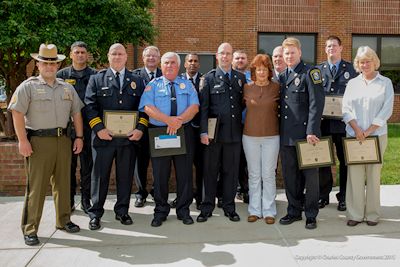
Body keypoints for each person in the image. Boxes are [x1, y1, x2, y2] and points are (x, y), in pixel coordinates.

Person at [9, 44, 83, 246]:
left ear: (58, 64)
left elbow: (76, 113)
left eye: (53, 63)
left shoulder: (67, 87)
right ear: (38, 64)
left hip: (63, 140)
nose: (49, 67)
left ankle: (64, 220)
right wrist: (22, 140)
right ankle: (30, 228)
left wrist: (79, 137)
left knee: (63, 183)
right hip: (38, 142)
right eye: (45, 63)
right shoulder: (28, 86)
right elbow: (17, 113)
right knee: (37, 187)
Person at [85, 43, 148, 230]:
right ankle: (96, 213)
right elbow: (89, 106)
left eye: (121, 54)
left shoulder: (137, 80)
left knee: (125, 177)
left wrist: (140, 129)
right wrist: (99, 129)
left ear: (126, 56)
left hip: (128, 141)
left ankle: (122, 211)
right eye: (114, 53)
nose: (117, 57)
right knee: (99, 177)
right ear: (108, 56)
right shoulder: (97, 79)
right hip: (104, 139)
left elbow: (144, 108)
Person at [139, 52, 199, 227]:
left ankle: (183, 211)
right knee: (160, 174)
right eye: (166, 63)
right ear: (161, 65)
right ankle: (160, 211)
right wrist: (168, 121)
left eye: (173, 62)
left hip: (183, 132)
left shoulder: (186, 84)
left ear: (179, 65)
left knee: (185, 174)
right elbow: (147, 107)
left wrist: (177, 121)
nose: (170, 65)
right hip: (160, 132)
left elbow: (194, 107)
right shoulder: (153, 85)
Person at [342, 46, 394, 227]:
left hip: (377, 135)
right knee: (354, 174)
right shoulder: (352, 83)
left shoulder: (385, 82)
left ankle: (372, 214)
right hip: (354, 136)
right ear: (358, 64)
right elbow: (346, 109)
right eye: (361, 61)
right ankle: (355, 214)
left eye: (368, 61)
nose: (365, 64)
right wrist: (357, 129)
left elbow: (387, 109)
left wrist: (369, 131)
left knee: (373, 175)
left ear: (375, 62)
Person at [278, 37, 324, 230]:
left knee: (310, 177)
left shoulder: (310, 72)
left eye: (292, 52)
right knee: (290, 176)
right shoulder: (282, 76)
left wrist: (312, 130)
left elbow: (317, 103)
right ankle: (294, 210)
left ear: (300, 52)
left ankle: (311, 214)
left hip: (307, 136)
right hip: (287, 135)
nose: (289, 56)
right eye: (286, 53)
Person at [197, 42, 246, 223]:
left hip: (234, 134)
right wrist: (203, 132)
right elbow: (204, 109)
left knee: (231, 172)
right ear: (217, 56)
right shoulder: (208, 78)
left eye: (228, 53)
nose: (225, 57)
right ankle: (207, 206)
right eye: (222, 53)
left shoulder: (240, 78)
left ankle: (229, 206)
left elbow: (242, 104)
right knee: (210, 171)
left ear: (232, 56)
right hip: (213, 135)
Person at [317, 36, 357, 211]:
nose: (331, 48)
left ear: (341, 48)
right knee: (324, 161)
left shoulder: (352, 70)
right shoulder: (317, 70)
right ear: (325, 50)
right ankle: (323, 195)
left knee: (345, 161)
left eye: (334, 45)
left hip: (344, 124)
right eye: (328, 46)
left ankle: (344, 197)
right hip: (323, 124)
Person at [57, 41, 97, 213]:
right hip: (67, 128)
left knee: (88, 166)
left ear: (87, 55)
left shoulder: (95, 76)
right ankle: (69, 200)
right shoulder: (61, 75)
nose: (80, 55)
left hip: (89, 128)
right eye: (77, 52)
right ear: (71, 54)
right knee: (68, 167)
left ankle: (86, 200)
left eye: (83, 52)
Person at [243, 54, 280, 224]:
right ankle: (255, 210)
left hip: (272, 137)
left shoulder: (276, 88)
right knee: (254, 174)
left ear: (269, 71)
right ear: (254, 71)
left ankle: (269, 210)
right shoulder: (246, 88)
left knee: (268, 174)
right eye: (258, 69)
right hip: (250, 136)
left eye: (264, 69)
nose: (261, 72)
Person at [132, 45, 162, 208]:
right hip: (141, 127)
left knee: (160, 161)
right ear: (143, 58)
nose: (151, 58)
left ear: (158, 59)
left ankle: (158, 192)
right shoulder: (135, 76)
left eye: (154, 56)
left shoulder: (165, 75)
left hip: (160, 126)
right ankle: (140, 193)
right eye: (148, 56)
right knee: (141, 161)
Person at [173, 53, 203, 210]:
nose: (193, 63)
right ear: (184, 64)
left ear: (199, 64)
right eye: (189, 61)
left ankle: (200, 198)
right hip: (184, 131)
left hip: (202, 132)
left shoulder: (205, 80)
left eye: (196, 61)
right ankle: (182, 197)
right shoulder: (177, 82)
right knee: (183, 168)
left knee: (201, 166)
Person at [232, 50, 251, 205]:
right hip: (233, 126)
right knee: (236, 159)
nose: (240, 60)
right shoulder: (229, 76)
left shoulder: (253, 78)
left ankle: (246, 189)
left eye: (242, 58)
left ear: (247, 60)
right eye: (237, 58)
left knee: (247, 160)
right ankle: (238, 188)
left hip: (250, 126)